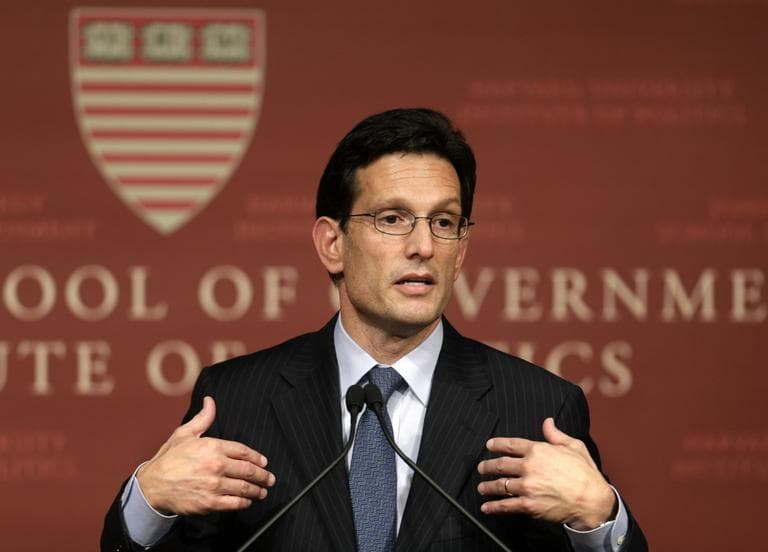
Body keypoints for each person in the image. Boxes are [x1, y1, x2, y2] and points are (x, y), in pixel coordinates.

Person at [101, 108, 647, 551]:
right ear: (331, 244)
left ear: (461, 253)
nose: (423, 246)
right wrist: (149, 502)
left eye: (444, 222)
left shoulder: (539, 409)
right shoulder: (238, 400)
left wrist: (600, 520)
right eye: (392, 219)